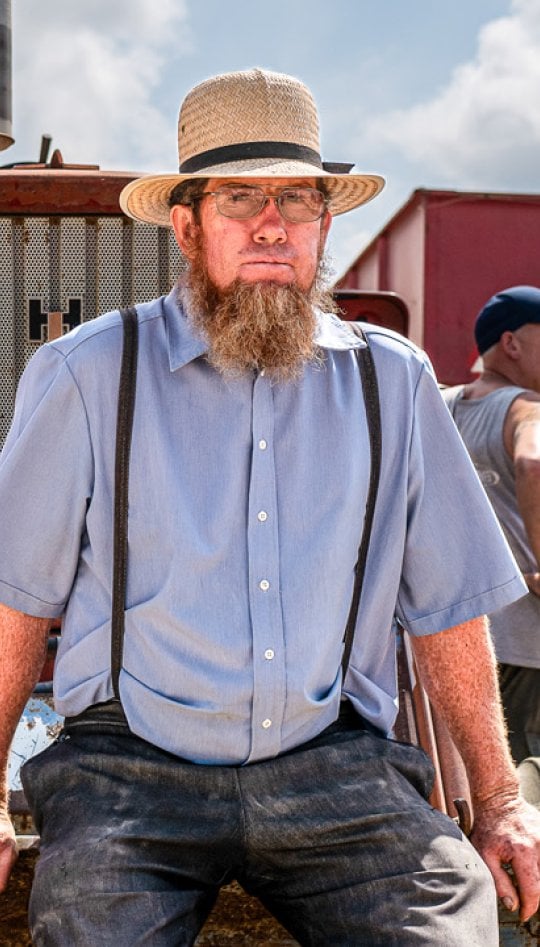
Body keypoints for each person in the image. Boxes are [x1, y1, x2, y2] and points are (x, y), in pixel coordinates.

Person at [0, 68, 539, 947]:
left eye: (297, 197)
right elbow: (15, 599)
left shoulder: (392, 381)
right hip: (127, 771)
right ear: (186, 226)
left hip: (336, 764)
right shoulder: (88, 372)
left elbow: (448, 606)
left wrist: (502, 799)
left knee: (446, 930)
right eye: (240, 196)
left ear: (324, 224)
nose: (271, 222)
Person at [444, 286, 540, 766]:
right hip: (526, 643)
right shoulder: (528, 408)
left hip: (456, 642)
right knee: (526, 781)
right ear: (511, 343)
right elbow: (534, 463)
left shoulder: (441, 406)